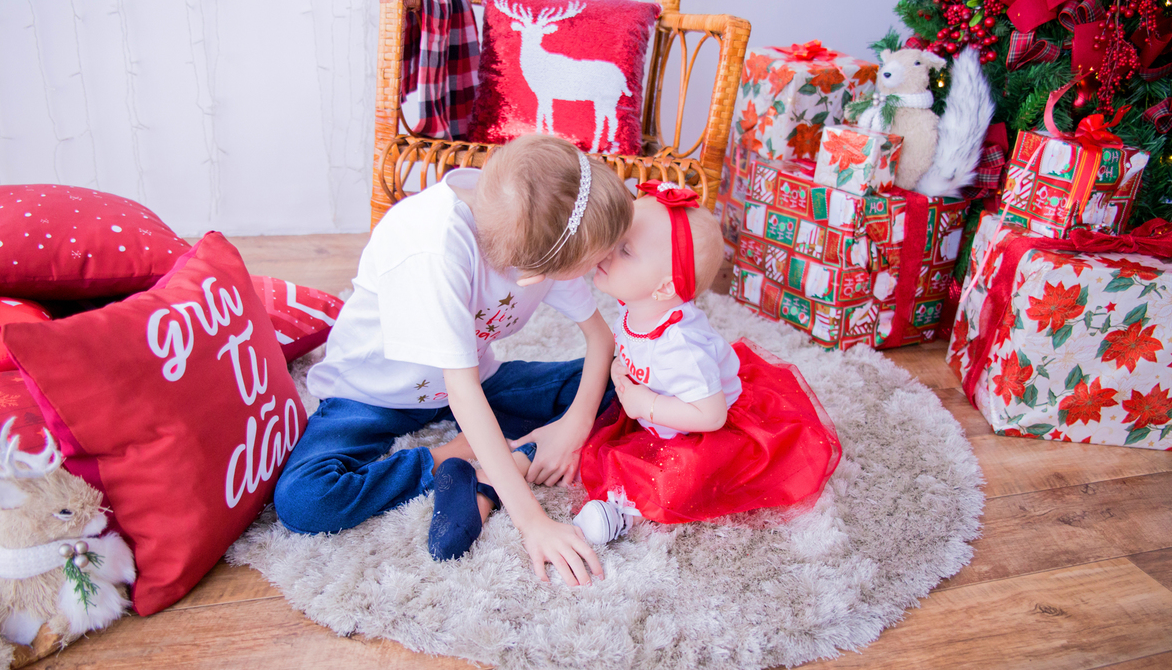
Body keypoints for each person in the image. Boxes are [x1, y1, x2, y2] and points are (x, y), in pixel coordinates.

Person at [272, 135, 633, 586]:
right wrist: (534, 523)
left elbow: (603, 340)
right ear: (536, 271)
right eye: (595, 262)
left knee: (634, 382)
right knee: (306, 501)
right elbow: (461, 392)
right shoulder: (436, 246)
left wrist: (574, 429)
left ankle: (488, 474)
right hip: (371, 395)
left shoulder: (543, 224)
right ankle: (458, 455)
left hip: (474, 384)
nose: (602, 270)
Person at [574, 181, 843, 544]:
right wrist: (622, 368)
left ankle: (625, 512)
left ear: (664, 288)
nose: (607, 252)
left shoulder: (683, 347)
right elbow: (634, 349)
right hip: (666, 407)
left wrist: (647, 404)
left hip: (704, 428)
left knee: (681, 480)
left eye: (625, 250)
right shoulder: (636, 306)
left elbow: (711, 416)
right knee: (600, 430)